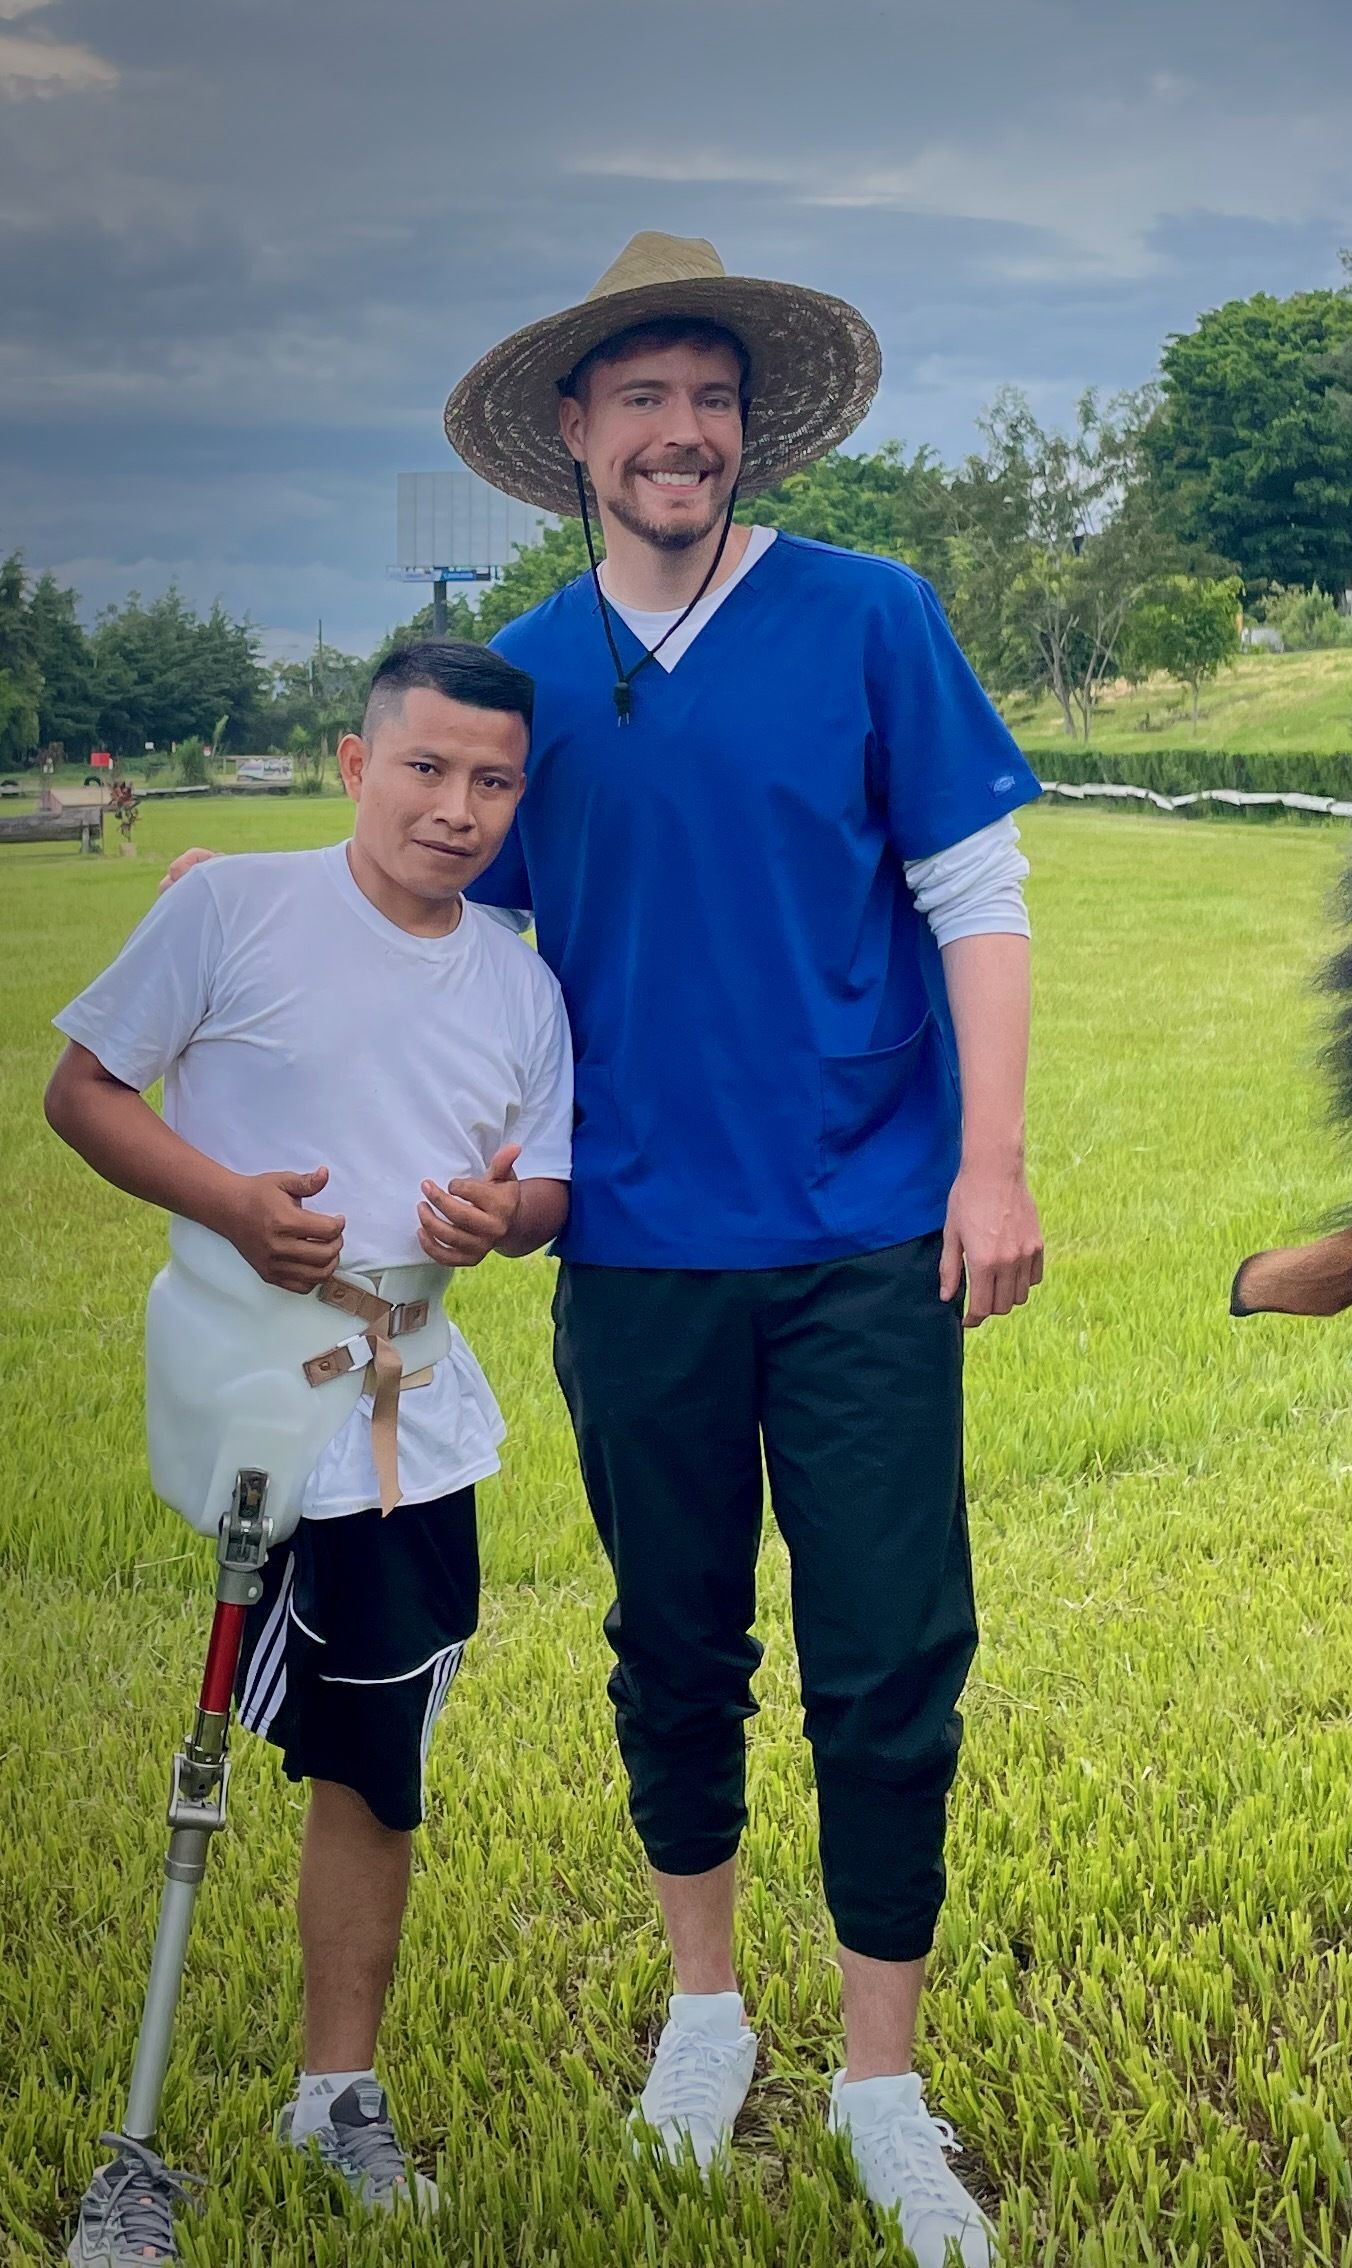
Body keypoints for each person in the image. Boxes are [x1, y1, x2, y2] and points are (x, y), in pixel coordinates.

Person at [450, 231, 1041, 2264]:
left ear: (748, 427)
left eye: (711, 397)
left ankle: (882, 2074)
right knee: (674, 1641)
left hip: (870, 1228)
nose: (680, 430)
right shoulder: (522, 673)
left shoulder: (868, 616)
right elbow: (467, 935)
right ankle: (706, 2010)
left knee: (893, 1660)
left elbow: (978, 897)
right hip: (631, 1243)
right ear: (571, 434)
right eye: (643, 399)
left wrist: (995, 1165)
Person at [49, 641, 572, 2261]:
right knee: (210, 1748)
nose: (457, 808)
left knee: (375, 1764)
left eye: (493, 781)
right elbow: (82, 1090)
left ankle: (333, 2091)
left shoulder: (518, 976)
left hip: (414, 1415)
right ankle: (134, 2152)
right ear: (356, 764)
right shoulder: (230, 909)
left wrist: (509, 1218)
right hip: (256, 1390)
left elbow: (549, 1182)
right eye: (427, 768)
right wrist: (229, 1202)